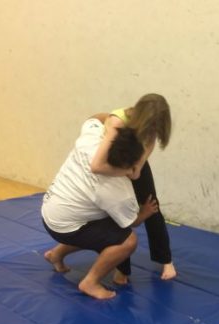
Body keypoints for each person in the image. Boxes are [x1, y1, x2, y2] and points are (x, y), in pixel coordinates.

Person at [41, 118, 158, 300]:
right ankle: (90, 282)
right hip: (66, 225)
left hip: (51, 213)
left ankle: (56, 254)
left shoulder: (92, 138)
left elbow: (96, 117)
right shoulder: (119, 191)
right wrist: (144, 212)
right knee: (127, 241)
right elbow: (131, 222)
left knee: (92, 227)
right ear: (129, 164)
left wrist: (114, 124)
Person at [90, 93, 176, 280]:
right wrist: (126, 172)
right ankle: (122, 269)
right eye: (151, 125)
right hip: (111, 163)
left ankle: (166, 260)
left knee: (152, 207)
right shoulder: (117, 122)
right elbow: (97, 165)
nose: (153, 131)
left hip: (132, 161)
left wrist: (136, 168)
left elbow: (141, 160)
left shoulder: (150, 131)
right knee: (117, 212)